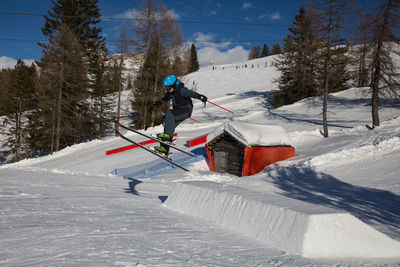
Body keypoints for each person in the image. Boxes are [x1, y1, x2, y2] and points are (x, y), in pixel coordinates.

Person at [153, 74, 207, 155]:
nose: (167, 90)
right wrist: (157, 103)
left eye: (168, 87)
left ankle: (168, 139)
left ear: (174, 85)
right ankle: (164, 150)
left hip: (185, 110)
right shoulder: (171, 92)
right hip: (178, 111)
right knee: (167, 125)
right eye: (166, 88)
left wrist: (201, 97)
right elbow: (165, 99)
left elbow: (191, 93)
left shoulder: (181, 90)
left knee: (168, 113)